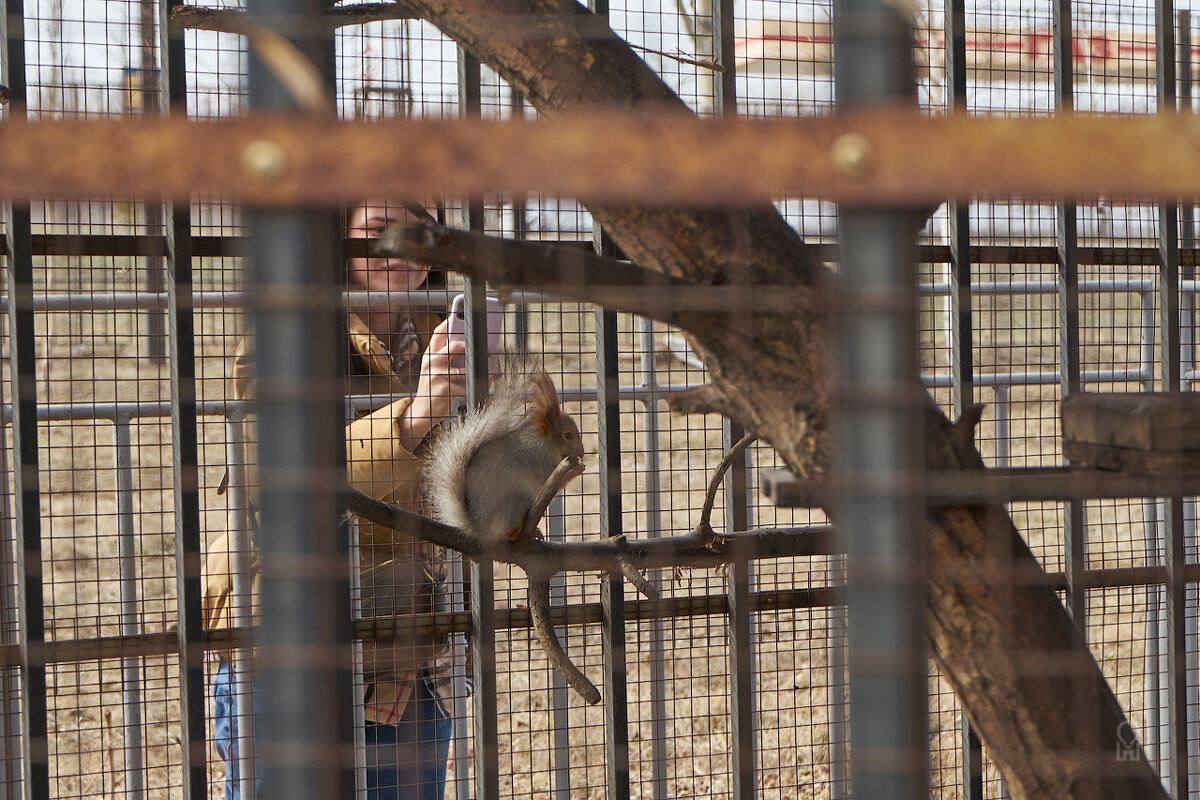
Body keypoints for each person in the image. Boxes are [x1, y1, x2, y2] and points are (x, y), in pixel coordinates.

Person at [203, 200, 467, 800]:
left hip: (414, 650)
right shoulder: (284, 334)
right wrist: (418, 414)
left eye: (420, 231)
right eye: (378, 232)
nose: (402, 246)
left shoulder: (442, 340)